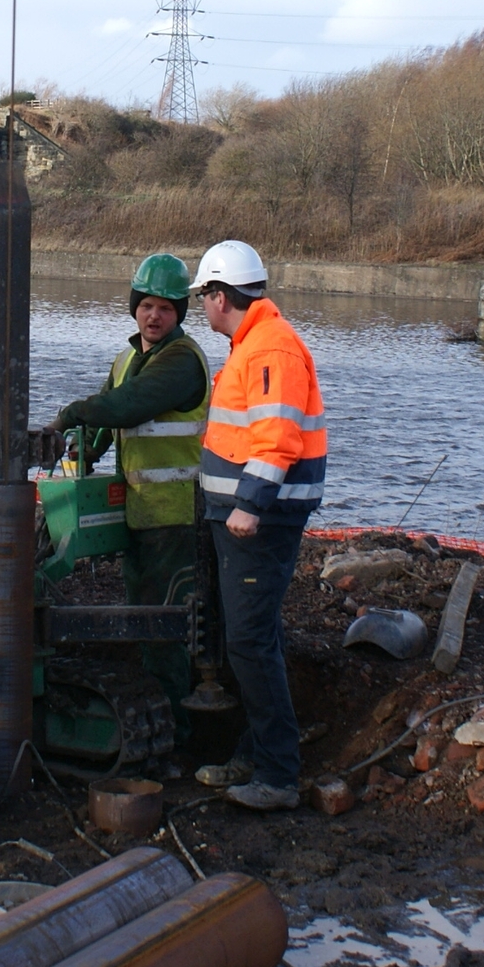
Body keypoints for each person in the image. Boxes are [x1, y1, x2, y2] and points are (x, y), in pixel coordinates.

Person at [48, 253, 210, 739]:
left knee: (166, 629)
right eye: (147, 306)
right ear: (134, 307)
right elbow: (102, 423)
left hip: (176, 517)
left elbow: (126, 404)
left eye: (165, 307)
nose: (154, 316)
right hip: (137, 516)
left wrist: (72, 412)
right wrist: (71, 448)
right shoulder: (126, 359)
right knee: (144, 621)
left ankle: (178, 733)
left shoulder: (182, 362)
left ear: (180, 313)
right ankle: (158, 723)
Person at [189, 238, 325, 812]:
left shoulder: (270, 349)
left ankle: (277, 774)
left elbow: (276, 439)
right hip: (239, 518)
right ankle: (256, 754)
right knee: (251, 639)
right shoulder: (252, 345)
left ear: (221, 296)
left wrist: (248, 504)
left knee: (249, 641)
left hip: (258, 524)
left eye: (203, 297)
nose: (201, 307)